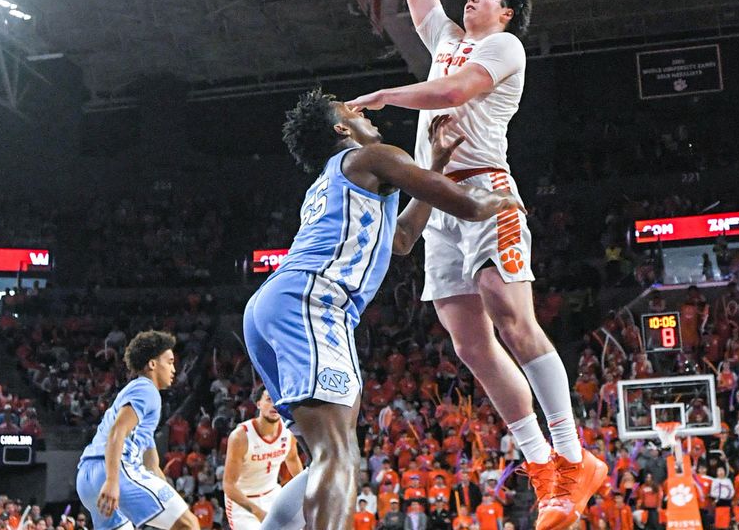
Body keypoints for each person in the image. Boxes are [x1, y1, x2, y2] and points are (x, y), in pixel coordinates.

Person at [345, 0, 606, 527]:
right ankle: (546, 474)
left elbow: (454, 90)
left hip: (487, 190)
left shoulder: (505, 48)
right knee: (467, 341)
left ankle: (572, 455)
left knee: (505, 305)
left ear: (506, 12)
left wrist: (390, 94)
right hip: (436, 197)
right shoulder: (447, 39)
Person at [247, 89, 521, 530]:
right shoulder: (371, 157)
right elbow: (469, 204)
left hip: (273, 304)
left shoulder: (333, 180)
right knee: (339, 453)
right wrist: (507, 200)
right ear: (341, 128)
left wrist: (432, 167)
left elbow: (402, 240)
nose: (362, 114)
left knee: (327, 452)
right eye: (349, 111)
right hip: (313, 300)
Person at [76, 331, 199, 530]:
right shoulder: (146, 389)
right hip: (112, 469)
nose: (174, 369)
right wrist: (112, 480)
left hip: (87, 476)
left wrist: (172, 498)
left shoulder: (139, 402)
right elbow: (117, 432)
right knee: (189, 525)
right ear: (152, 364)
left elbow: (151, 464)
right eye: (169, 362)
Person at [222, 386, 303, 529]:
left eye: (277, 399)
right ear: (258, 403)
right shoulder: (240, 437)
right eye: (269, 399)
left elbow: (292, 458)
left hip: (273, 494)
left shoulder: (288, 431)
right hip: (244, 503)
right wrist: (258, 512)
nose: (274, 405)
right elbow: (229, 486)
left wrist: (305, 490)